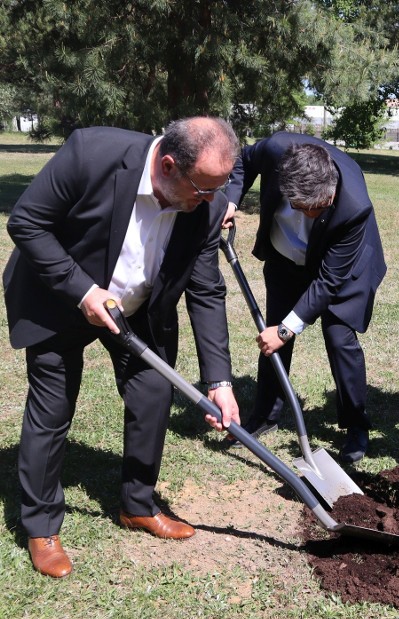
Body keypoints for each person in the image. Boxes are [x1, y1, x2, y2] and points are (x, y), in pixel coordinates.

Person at [4, 117, 243, 578]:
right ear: (169, 166)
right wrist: (83, 291)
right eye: (204, 188)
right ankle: (41, 527)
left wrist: (220, 381)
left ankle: (137, 504)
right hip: (61, 297)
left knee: (154, 393)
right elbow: (27, 223)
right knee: (52, 409)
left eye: (220, 188)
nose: (213, 201)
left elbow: (207, 291)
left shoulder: (207, 208)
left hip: (136, 310)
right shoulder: (90, 153)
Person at [221, 133, 386, 464]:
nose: (317, 212)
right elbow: (242, 161)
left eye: (323, 206)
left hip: (342, 261)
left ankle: (356, 425)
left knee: (339, 335)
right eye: (309, 208)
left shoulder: (354, 208)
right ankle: (266, 415)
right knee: (275, 331)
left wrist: (287, 329)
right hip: (286, 255)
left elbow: (328, 281)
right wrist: (230, 201)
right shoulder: (275, 149)